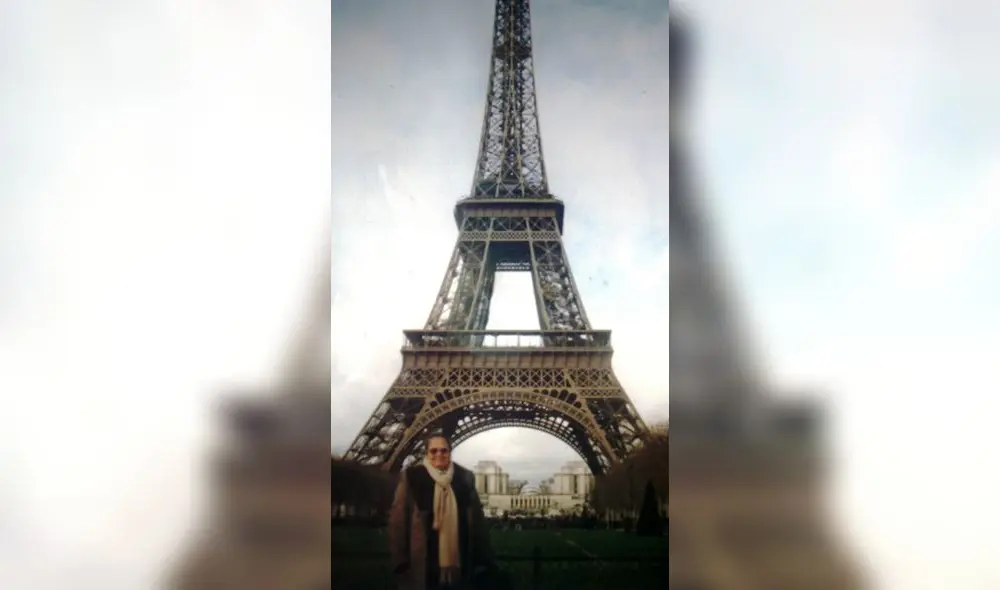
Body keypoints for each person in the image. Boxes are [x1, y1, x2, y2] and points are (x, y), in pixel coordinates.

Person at [388, 432, 496, 590]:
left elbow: (477, 521)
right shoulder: (412, 477)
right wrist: (400, 562)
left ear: (450, 453)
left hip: (460, 560)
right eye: (433, 451)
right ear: (426, 453)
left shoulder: (464, 477)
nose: (439, 454)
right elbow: (398, 522)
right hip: (423, 561)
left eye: (444, 450)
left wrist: (483, 558)